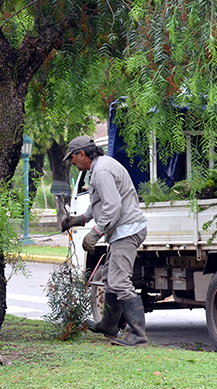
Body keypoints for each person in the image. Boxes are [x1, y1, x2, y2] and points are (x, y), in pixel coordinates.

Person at [60, 135, 148, 347]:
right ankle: (109, 325)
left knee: (119, 281)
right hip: (123, 230)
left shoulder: (100, 172)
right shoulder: (100, 167)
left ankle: (138, 335)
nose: (72, 162)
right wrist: (79, 219)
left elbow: (113, 206)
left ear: (82, 154)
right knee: (109, 278)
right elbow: (99, 203)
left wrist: (95, 234)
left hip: (127, 230)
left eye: (72, 157)